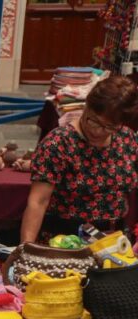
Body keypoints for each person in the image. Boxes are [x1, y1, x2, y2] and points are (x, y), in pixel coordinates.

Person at [21, 75, 138, 244]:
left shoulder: (126, 139)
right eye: (94, 121)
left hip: (113, 241)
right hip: (66, 241)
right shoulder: (59, 143)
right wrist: (26, 249)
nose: (98, 131)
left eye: (110, 127)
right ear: (86, 105)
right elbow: (38, 201)